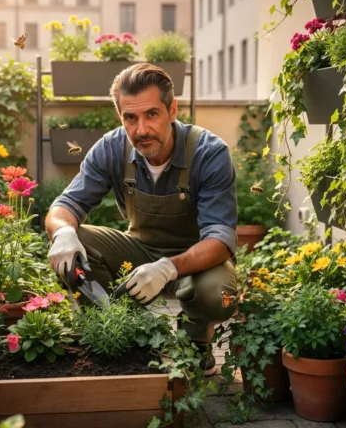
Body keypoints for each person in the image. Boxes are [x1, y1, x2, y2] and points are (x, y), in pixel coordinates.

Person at [44, 63, 238, 374]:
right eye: (130, 118)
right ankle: (122, 336)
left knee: (218, 295)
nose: (141, 130)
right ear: (120, 117)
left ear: (172, 110)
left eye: (151, 114)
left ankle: (195, 342)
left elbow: (222, 239)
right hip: (139, 252)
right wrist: (63, 232)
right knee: (71, 247)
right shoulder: (111, 147)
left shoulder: (208, 152)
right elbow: (65, 204)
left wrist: (168, 267)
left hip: (199, 261)